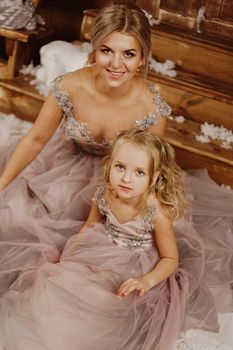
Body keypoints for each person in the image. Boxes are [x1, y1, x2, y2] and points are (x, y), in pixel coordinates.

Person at [0, 1, 171, 295]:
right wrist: (3, 183)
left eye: (128, 54)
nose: (116, 65)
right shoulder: (70, 86)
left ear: (143, 58)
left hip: (115, 178)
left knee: (82, 241)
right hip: (64, 164)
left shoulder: (152, 109)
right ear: (94, 51)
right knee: (20, 216)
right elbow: (35, 140)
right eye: (107, 50)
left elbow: (153, 168)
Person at [0, 129, 206, 349]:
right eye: (120, 167)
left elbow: (170, 259)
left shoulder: (156, 212)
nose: (126, 178)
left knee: (107, 306)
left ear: (153, 177)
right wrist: (71, 253)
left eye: (139, 172)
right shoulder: (105, 193)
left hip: (134, 264)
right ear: (110, 165)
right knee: (59, 282)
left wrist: (146, 280)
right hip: (99, 248)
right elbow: (91, 225)